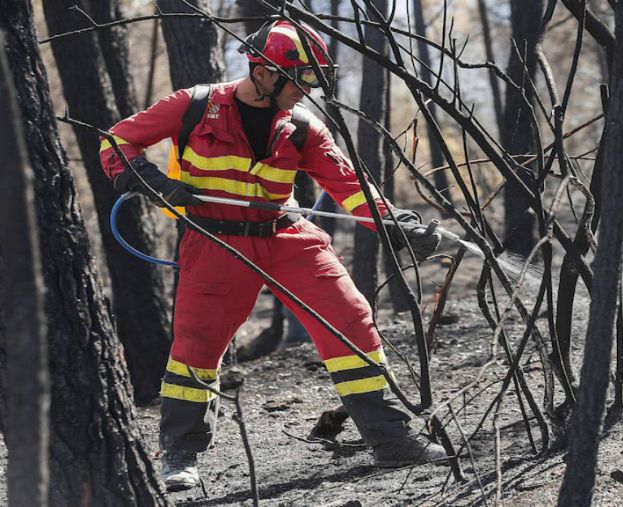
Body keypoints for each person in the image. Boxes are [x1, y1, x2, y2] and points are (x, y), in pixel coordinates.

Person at [99, 20, 445, 492]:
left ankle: (392, 440)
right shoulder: (193, 106)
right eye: (300, 79)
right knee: (195, 346)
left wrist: (395, 224)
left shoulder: (303, 127)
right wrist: (146, 179)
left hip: (286, 237)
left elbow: (349, 187)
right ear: (263, 72)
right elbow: (116, 139)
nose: (306, 91)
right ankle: (180, 455)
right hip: (215, 242)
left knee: (350, 318)